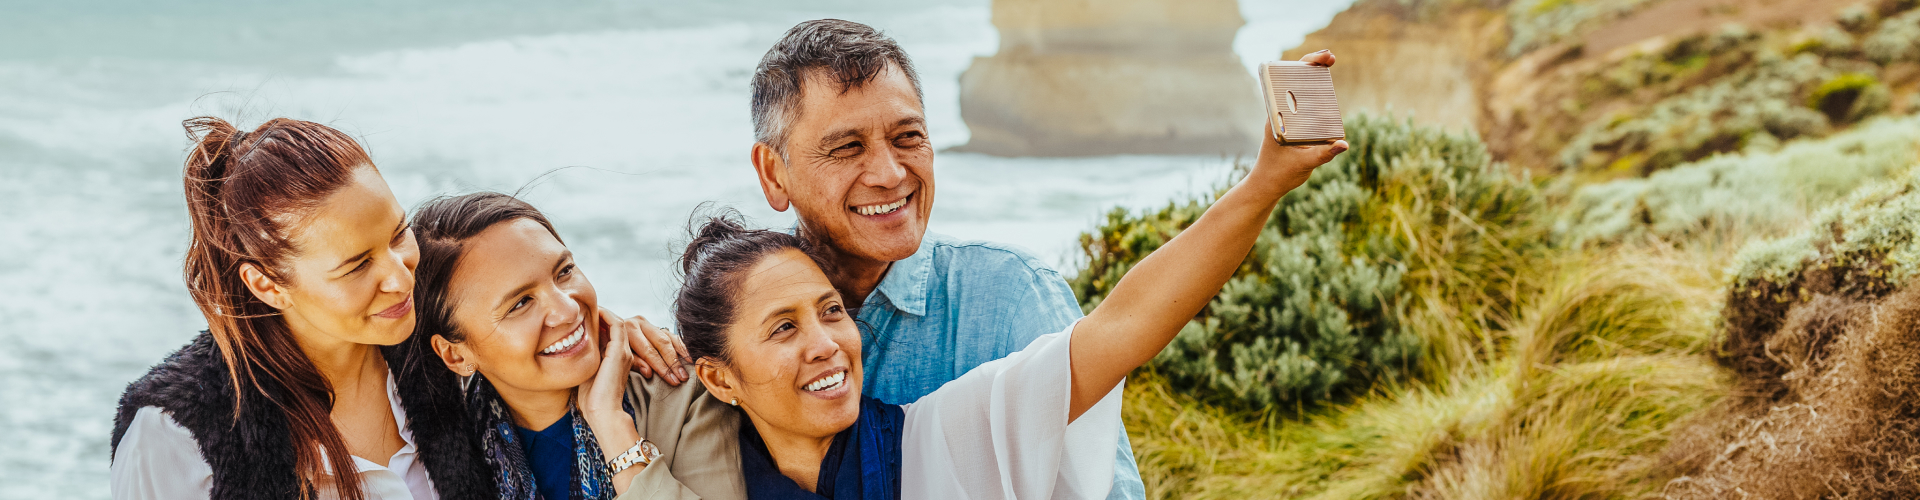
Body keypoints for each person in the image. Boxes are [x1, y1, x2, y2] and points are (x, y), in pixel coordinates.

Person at [743, 19, 1339, 499]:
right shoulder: (731, 321)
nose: (891, 174)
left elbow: (1124, 343)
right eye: (847, 147)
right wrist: (644, 363)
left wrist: (1263, 185)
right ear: (775, 173)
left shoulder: (1008, 296)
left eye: (908, 138)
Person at [110, 117, 492, 499]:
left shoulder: (448, 349)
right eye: (357, 266)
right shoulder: (173, 434)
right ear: (268, 285)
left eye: (398, 234)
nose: (401, 279)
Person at [399, 192, 745, 500]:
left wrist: (611, 425)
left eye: (563, 271)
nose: (567, 310)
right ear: (456, 354)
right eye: (520, 303)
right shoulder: (436, 450)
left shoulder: (681, 393)